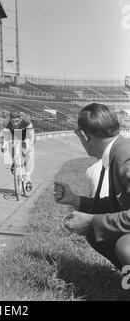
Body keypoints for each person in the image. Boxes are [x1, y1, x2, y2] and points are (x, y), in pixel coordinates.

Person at [54, 103, 130, 271]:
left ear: (83, 135)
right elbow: (119, 206)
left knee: (126, 246)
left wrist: (91, 220)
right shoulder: (119, 151)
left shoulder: (125, 157)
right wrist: (76, 200)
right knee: (96, 229)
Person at [1, 110, 35, 192]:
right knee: (11, 147)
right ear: (10, 119)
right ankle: (15, 162)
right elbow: (4, 137)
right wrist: (3, 146)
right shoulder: (6, 122)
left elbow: (31, 136)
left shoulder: (26, 120)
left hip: (26, 135)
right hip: (13, 134)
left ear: (20, 119)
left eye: (17, 121)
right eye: (13, 121)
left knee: (25, 152)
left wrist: (28, 148)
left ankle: (28, 178)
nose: (15, 123)